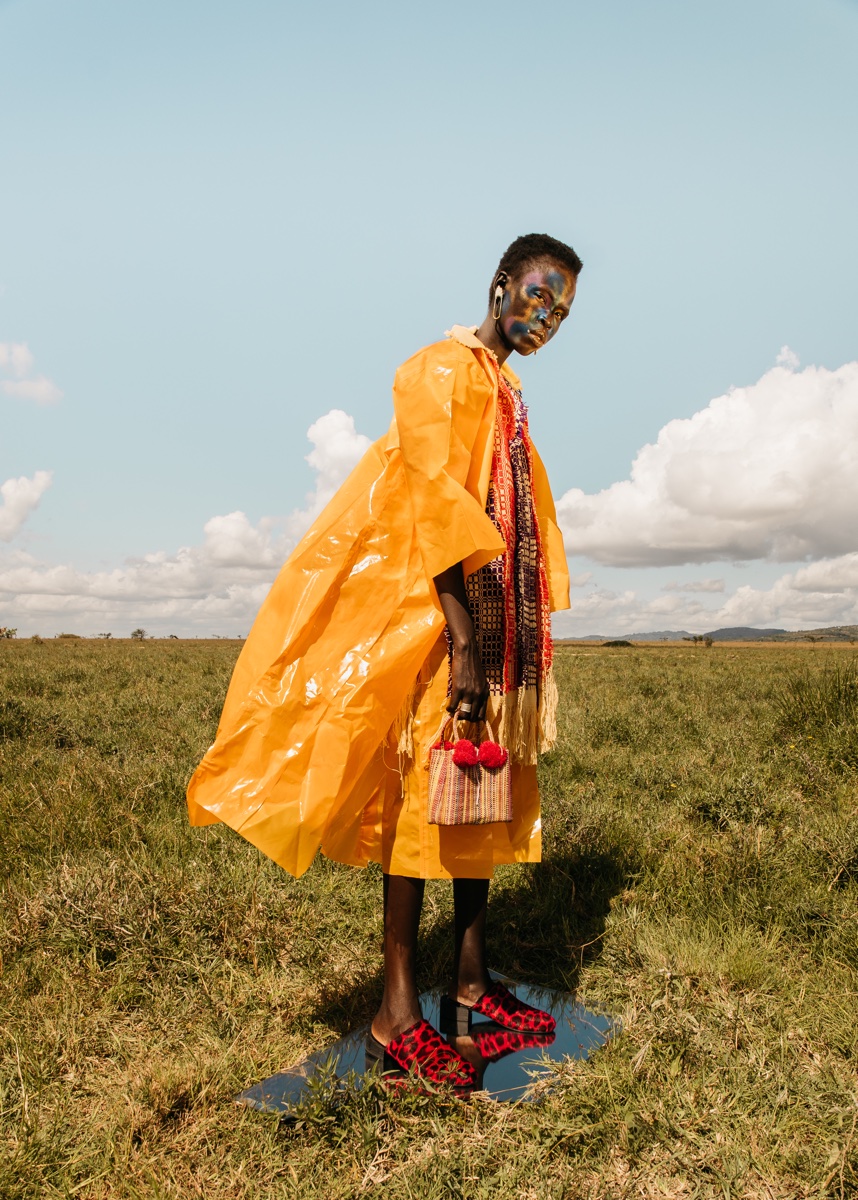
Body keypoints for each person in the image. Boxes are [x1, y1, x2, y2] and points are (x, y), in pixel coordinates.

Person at [187, 233, 582, 1090]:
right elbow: (431, 502)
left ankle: (470, 984)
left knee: (479, 795)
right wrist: (463, 640)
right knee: (424, 806)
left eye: (561, 312)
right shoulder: (438, 370)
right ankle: (393, 1014)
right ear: (501, 284)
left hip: (493, 624)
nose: (547, 319)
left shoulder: (502, 386)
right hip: (444, 624)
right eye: (539, 297)